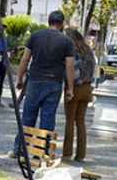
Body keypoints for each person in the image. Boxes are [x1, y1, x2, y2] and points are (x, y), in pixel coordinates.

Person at [9, 10, 75, 158]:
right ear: (62, 24)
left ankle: (19, 149)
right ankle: (40, 154)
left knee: (27, 117)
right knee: (47, 119)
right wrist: (70, 88)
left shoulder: (36, 36)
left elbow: (25, 59)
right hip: (54, 84)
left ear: (49, 21)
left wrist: (19, 79)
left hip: (34, 82)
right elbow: (70, 66)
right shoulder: (66, 41)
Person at [62, 28, 96, 162]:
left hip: (75, 88)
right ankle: (81, 154)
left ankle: (67, 152)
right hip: (87, 88)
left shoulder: (72, 53)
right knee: (81, 122)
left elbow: (70, 71)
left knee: (70, 121)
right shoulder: (89, 52)